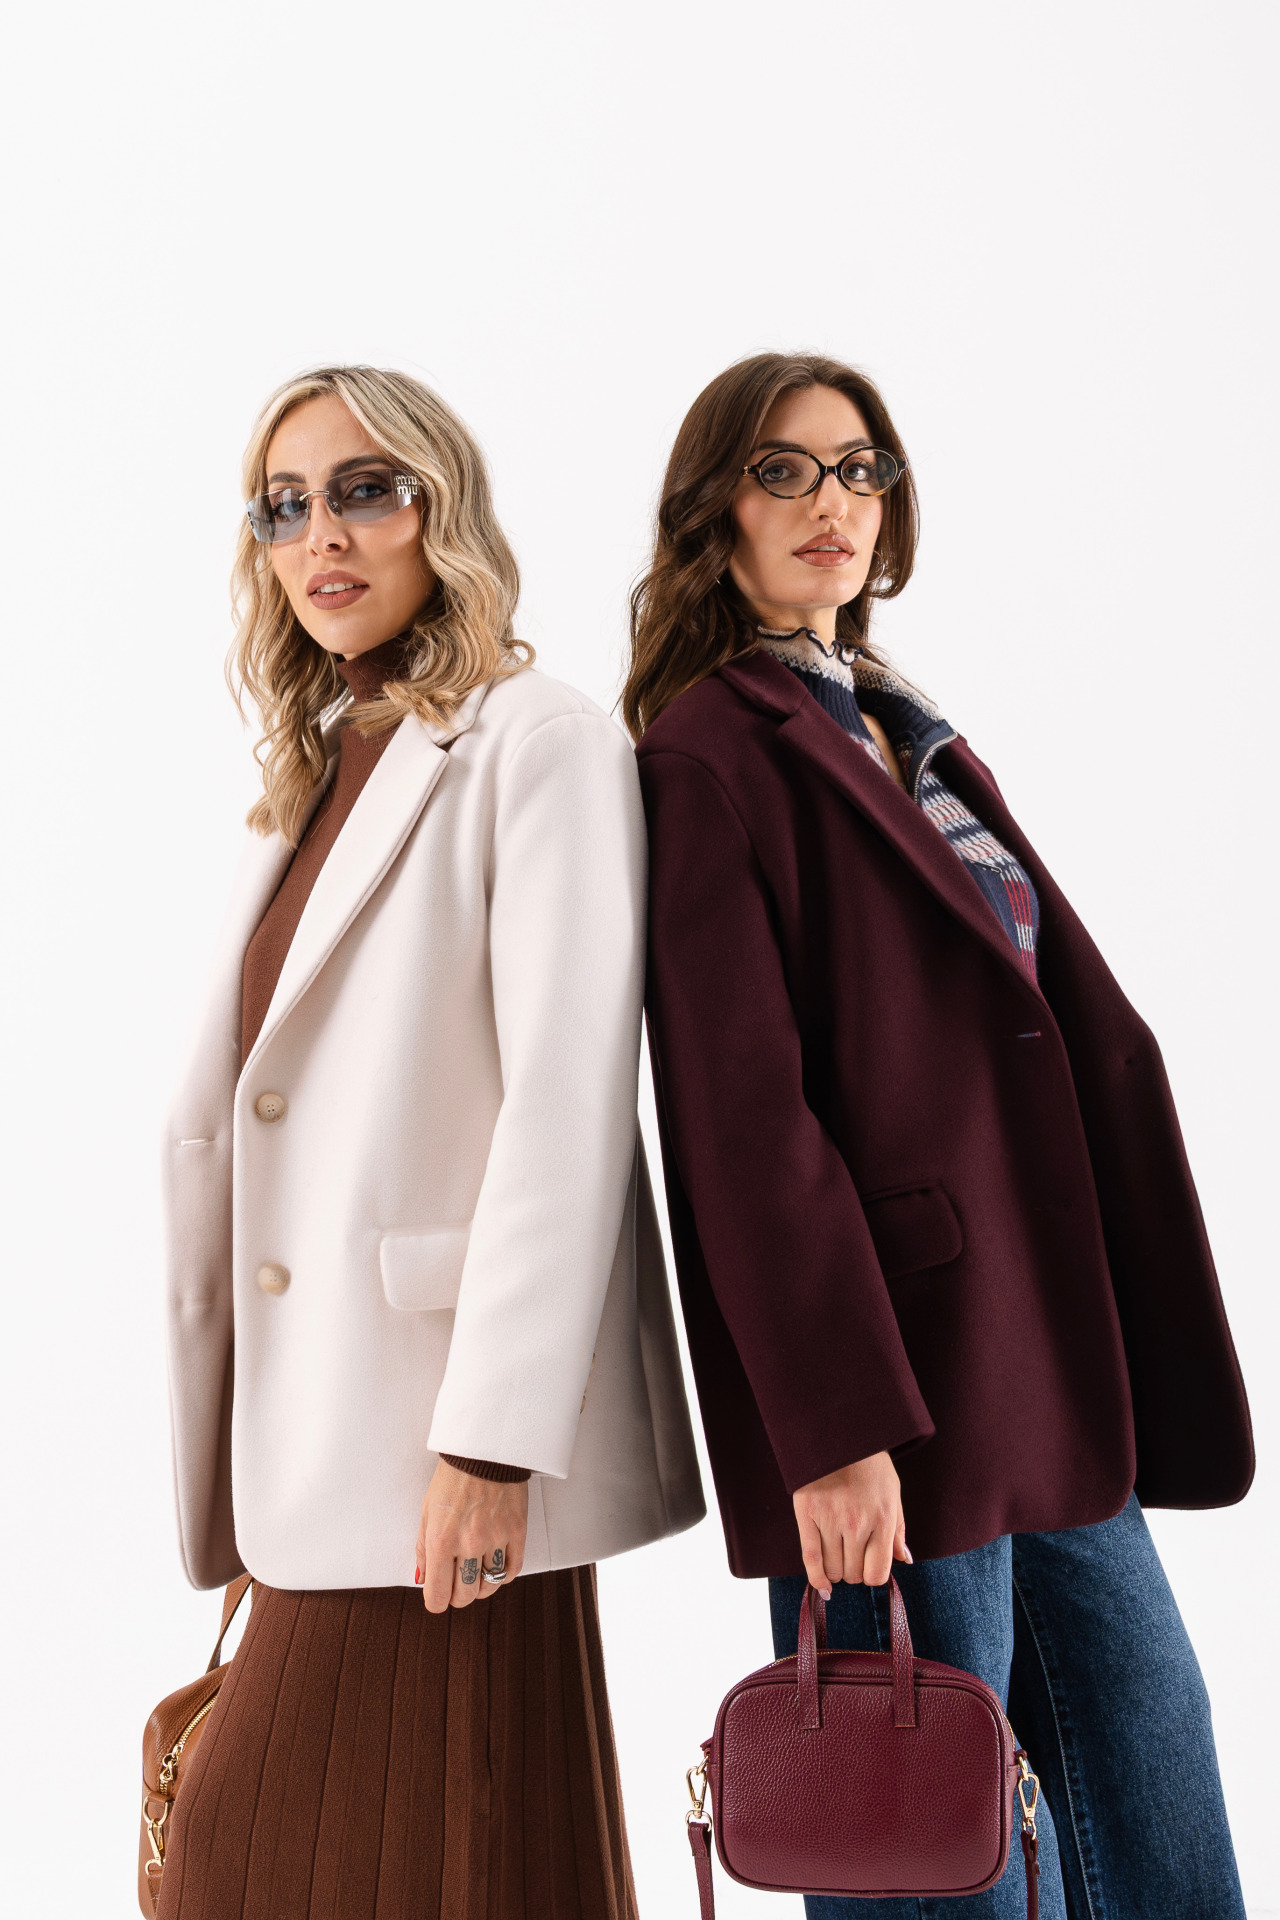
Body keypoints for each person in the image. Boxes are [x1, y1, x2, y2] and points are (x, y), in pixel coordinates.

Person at [625, 351, 1252, 1920]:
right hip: (894, 1380)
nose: (831, 502)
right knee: (923, 1835)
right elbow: (743, 1127)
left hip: (1040, 1346)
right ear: (716, 515)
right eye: (783, 471)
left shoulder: (901, 729)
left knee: (1149, 1770)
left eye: (859, 469)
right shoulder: (710, 753)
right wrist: (832, 1432)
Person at [158, 363, 703, 1920]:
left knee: (267, 1858)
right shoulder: (316, 773)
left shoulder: (538, 741)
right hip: (327, 1441)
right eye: (283, 507)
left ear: (440, 507)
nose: (321, 535)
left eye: (363, 490)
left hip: (442, 1445)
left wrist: (490, 1444)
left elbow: (568, 1099)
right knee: (484, 1863)